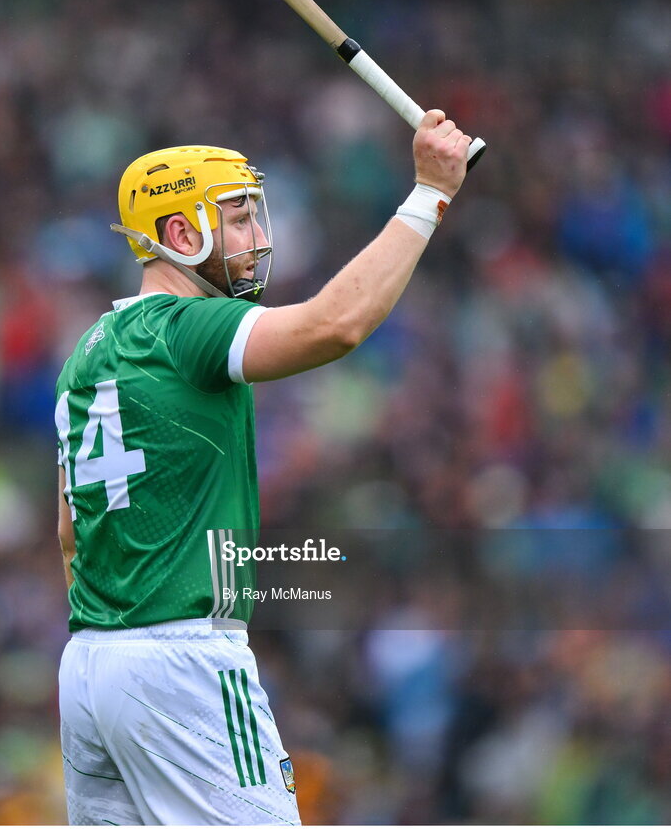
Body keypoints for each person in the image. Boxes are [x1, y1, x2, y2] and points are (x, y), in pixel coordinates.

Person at [55, 111, 471, 826]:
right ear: (181, 235)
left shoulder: (88, 350)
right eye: (239, 219)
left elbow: (70, 533)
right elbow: (333, 326)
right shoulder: (187, 328)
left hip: (90, 664)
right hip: (183, 660)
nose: (258, 238)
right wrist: (429, 194)